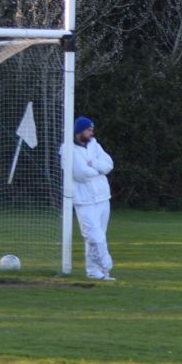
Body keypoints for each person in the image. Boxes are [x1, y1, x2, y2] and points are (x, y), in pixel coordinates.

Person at [63, 116, 115, 282]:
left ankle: (93, 271)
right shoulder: (67, 148)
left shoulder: (94, 144)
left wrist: (93, 165)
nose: (92, 133)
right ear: (79, 132)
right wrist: (97, 168)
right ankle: (106, 265)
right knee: (95, 237)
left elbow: (109, 164)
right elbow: (81, 174)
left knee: (98, 237)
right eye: (88, 130)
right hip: (83, 200)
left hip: (102, 197)